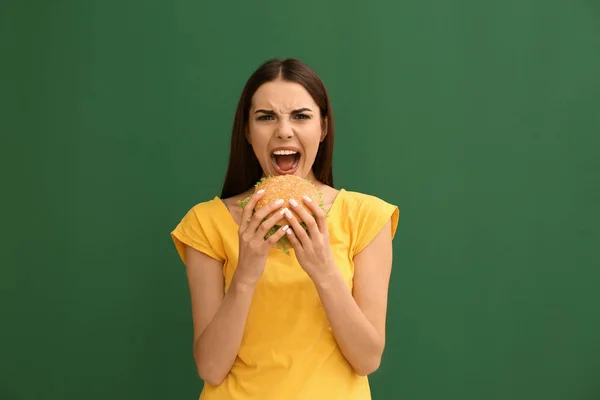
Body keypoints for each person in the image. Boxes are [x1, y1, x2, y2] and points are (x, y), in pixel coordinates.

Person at [171, 58, 400, 400]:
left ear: (323, 128)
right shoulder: (206, 223)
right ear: (247, 132)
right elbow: (211, 368)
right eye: (266, 117)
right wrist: (246, 273)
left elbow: (367, 359)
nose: (283, 131)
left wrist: (323, 269)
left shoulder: (366, 217)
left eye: (301, 116)